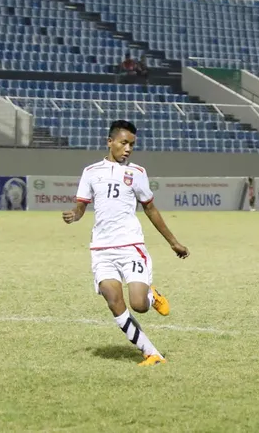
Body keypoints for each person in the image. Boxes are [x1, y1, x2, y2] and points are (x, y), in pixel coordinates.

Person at [62, 120, 190, 366]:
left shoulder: (137, 173)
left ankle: (151, 296)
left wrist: (173, 242)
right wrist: (73, 216)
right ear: (110, 142)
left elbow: (150, 208)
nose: (128, 149)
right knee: (113, 300)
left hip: (131, 246)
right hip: (101, 249)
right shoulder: (91, 172)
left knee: (139, 304)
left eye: (132, 144)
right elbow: (80, 208)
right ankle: (151, 353)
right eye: (124, 143)